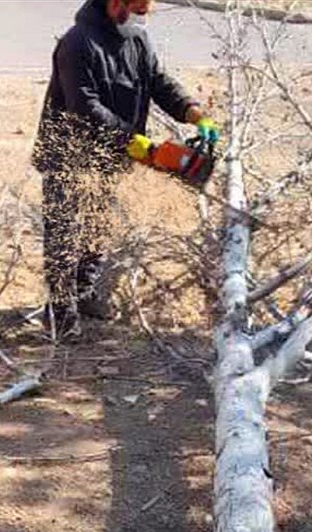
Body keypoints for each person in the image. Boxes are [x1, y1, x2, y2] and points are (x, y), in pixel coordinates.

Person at [32, 0, 218, 338]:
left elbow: (158, 81)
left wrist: (193, 111)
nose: (143, 15)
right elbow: (84, 106)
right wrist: (134, 142)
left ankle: (85, 293)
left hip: (112, 153)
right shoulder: (76, 43)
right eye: (138, 8)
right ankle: (60, 312)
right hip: (69, 153)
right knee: (64, 232)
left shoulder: (137, 39)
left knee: (99, 225)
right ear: (115, 3)